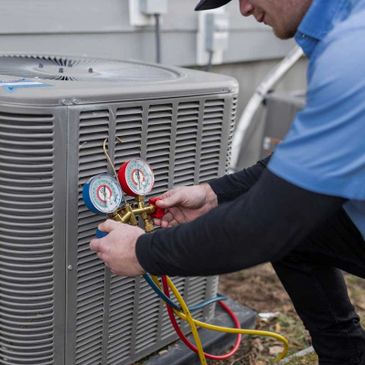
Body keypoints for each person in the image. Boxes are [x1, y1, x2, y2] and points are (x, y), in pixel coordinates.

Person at [90, 0, 365, 364]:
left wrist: (142, 253)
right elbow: (304, 167)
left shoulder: (353, 55)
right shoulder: (344, 33)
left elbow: (262, 227)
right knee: (302, 234)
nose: (245, 9)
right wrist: (214, 194)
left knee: (289, 228)